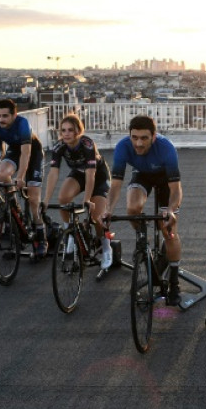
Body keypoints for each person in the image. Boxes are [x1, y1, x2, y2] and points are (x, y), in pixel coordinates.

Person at [103, 115, 183, 306]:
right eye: (134, 137)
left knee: (169, 230)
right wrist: (107, 210)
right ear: (129, 135)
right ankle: (142, 239)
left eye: (144, 138)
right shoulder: (123, 147)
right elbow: (115, 185)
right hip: (142, 176)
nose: (138, 143)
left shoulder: (166, 148)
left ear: (154, 137)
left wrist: (171, 211)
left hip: (165, 180)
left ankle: (174, 279)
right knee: (132, 207)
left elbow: (176, 189)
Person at [0, 98, 47, 259]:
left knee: (34, 200)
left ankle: (41, 236)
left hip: (33, 153)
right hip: (14, 151)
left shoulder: (23, 124)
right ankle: (14, 203)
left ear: (14, 115)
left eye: (5, 116)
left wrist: (21, 177)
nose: (1, 120)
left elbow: (27, 153)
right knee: (2, 174)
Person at [44, 113, 114, 268]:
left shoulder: (87, 144)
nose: (66, 133)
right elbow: (53, 173)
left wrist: (87, 200)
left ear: (78, 131)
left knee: (97, 217)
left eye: (70, 130)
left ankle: (106, 246)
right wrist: (46, 201)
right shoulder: (59, 146)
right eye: (63, 130)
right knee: (63, 198)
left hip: (98, 177)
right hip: (78, 174)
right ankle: (70, 233)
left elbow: (91, 174)